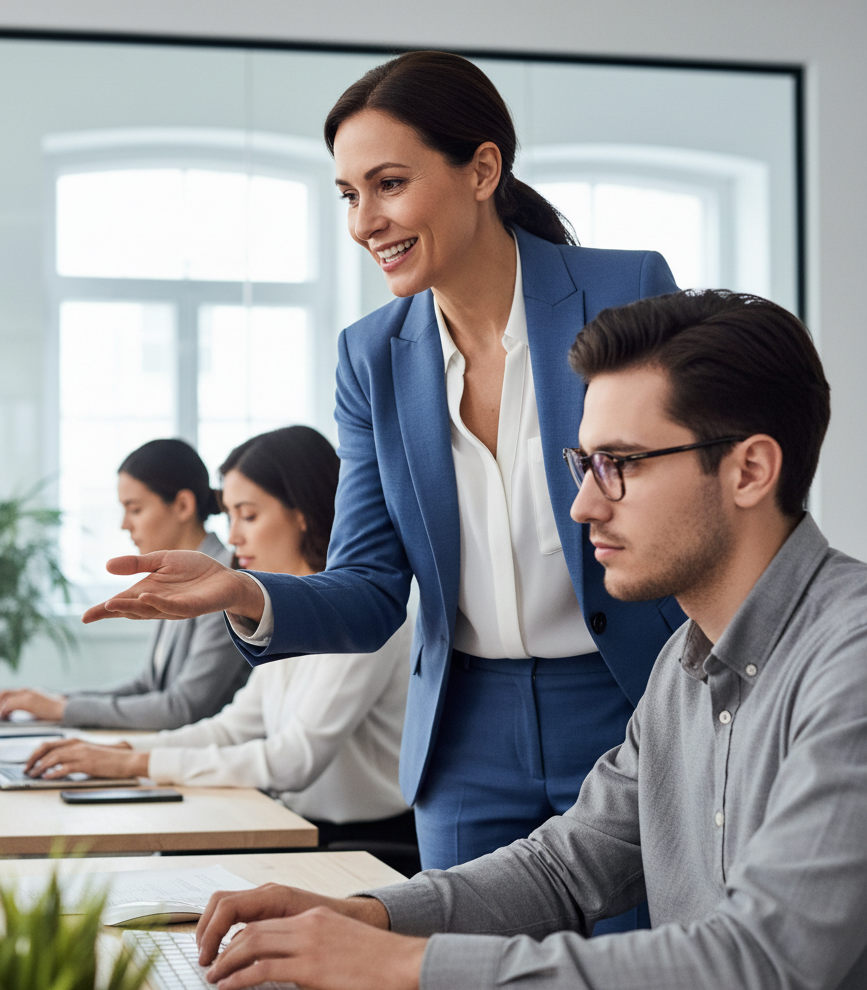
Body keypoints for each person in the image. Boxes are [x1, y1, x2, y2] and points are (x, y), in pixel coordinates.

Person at [80, 52, 684, 897]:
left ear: (482, 169)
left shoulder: (623, 293)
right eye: (348, 195)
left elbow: (691, 501)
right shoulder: (372, 357)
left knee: (630, 984)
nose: (365, 221)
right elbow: (368, 588)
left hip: (625, 706)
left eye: (389, 183)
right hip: (467, 734)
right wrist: (239, 592)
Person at [187, 290, 866, 990]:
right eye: (585, 461)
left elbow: (758, 970)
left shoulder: (848, 661)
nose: (581, 506)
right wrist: (367, 918)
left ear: (749, 470)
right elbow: (561, 869)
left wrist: (412, 966)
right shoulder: (681, 666)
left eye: (622, 464)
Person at [28, 426, 416, 857]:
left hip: (361, 844)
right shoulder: (288, 605)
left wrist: (137, 763)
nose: (232, 537)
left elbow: (294, 759)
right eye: (230, 516)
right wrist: (122, 749)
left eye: (248, 516)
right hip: (294, 823)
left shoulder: (367, 614)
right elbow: (235, 727)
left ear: (303, 512)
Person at [0, 439, 250, 730]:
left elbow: (181, 707)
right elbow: (148, 684)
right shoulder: (175, 574)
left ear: (183, 505)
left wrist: (64, 709)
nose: (124, 525)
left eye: (134, 509)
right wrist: (55, 701)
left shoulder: (223, 580)